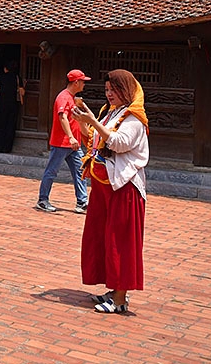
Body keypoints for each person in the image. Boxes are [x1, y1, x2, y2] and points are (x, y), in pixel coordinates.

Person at [72, 69, 149, 315]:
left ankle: (120, 297)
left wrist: (93, 122)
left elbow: (117, 142)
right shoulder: (110, 113)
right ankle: (112, 289)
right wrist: (88, 122)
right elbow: (96, 138)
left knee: (120, 240)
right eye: (107, 90)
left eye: (114, 90)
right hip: (104, 183)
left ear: (126, 91)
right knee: (101, 236)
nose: (109, 94)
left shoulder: (135, 118)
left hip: (124, 187)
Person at [36, 69, 91, 213]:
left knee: (80, 172)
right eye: (83, 81)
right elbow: (62, 117)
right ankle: (42, 200)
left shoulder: (73, 98)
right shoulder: (63, 97)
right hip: (62, 143)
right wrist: (71, 136)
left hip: (74, 144)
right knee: (52, 171)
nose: (84, 84)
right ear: (76, 82)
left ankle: (82, 202)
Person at [0, 61, 24, 153]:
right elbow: (22, 92)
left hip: (2, 104)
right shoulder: (17, 78)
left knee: (1, 125)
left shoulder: (1, 77)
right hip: (14, 104)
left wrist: (2, 94)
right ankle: (7, 148)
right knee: (11, 125)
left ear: (5, 68)